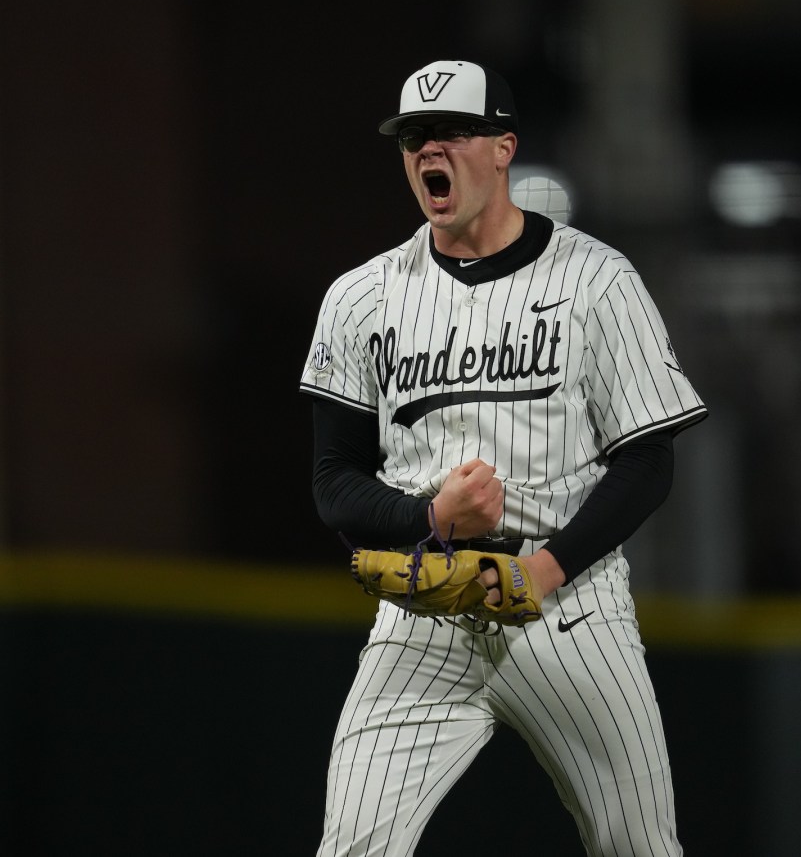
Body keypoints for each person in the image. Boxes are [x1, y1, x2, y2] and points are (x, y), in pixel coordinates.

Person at [298, 59, 708, 856]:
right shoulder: (361, 297)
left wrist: (544, 572)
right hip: (424, 615)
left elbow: (648, 462)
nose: (429, 150)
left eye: (451, 131)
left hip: (570, 608)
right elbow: (333, 483)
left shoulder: (597, 280)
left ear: (502, 148)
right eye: (414, 137)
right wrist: (428, 517)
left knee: (640, 847)